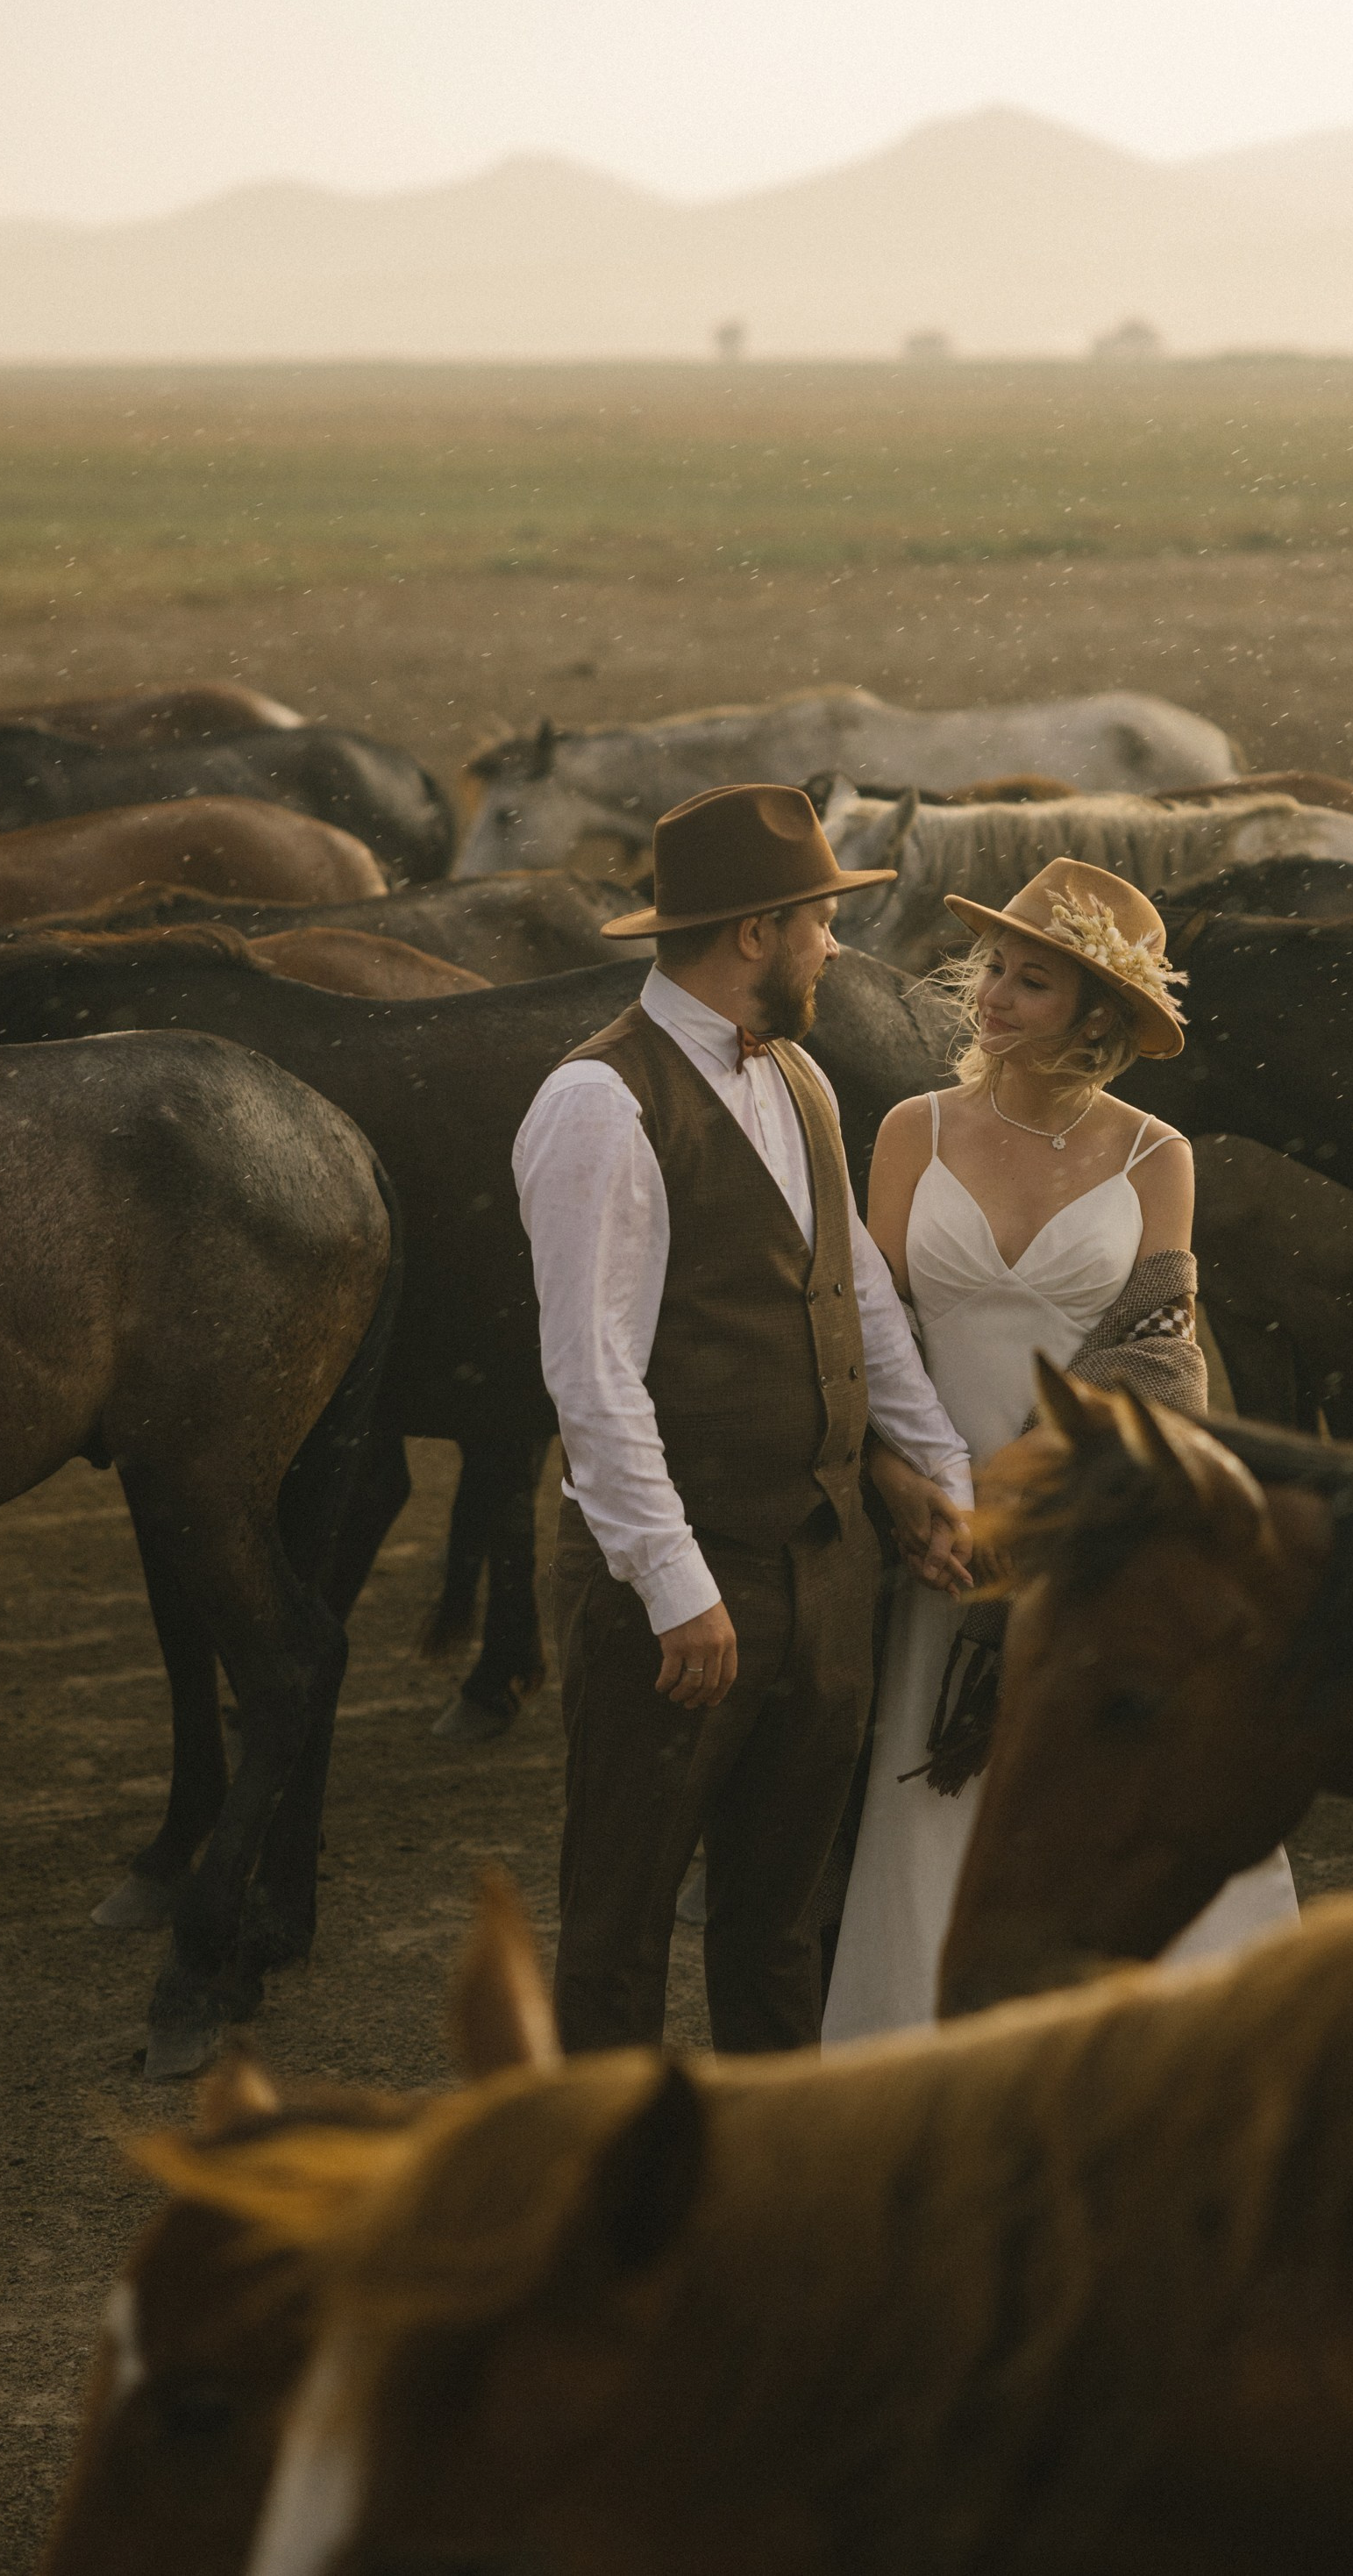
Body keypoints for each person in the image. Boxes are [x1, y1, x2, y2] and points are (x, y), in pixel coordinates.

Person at [512, 782, 974, 2055]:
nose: (837, 947)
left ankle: (771, 2166)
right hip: (684, 1586)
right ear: (757, 932)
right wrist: (675, 1588)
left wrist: (936, 1471)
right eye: (822, 921)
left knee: (779, 1928)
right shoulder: (599, 1104)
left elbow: (855, 1293)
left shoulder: (802, 1076)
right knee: (618, 1930)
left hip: (824, 1568)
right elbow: (592, 1374)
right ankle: (615, 2174)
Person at [822, 858, 1299, 2042]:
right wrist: (908, 1482)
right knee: (931, 1782)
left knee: (1093, 1770)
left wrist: (1031, 1501)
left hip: (1087, 1521)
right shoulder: (912, 1129)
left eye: (1031, 981)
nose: (991, 996)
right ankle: (924, 2045)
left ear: (1097, 1015)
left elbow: (1159, 1354)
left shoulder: (1156, 1156)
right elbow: (873, 1330)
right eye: (993, 968)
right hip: (933, 1528)